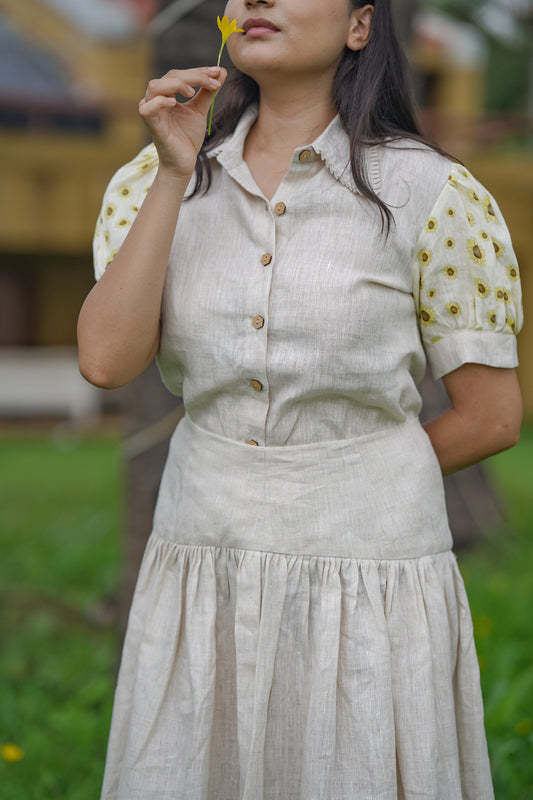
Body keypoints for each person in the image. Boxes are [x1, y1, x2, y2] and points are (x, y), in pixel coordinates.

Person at [78, 1, 524, 797]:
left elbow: (492, 416)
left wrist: (346, 478)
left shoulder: (433, 192)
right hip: (200, 564)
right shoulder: (152, 179)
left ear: (359, 26)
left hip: (372, 574)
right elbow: (107, 362)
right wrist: (176, 170)